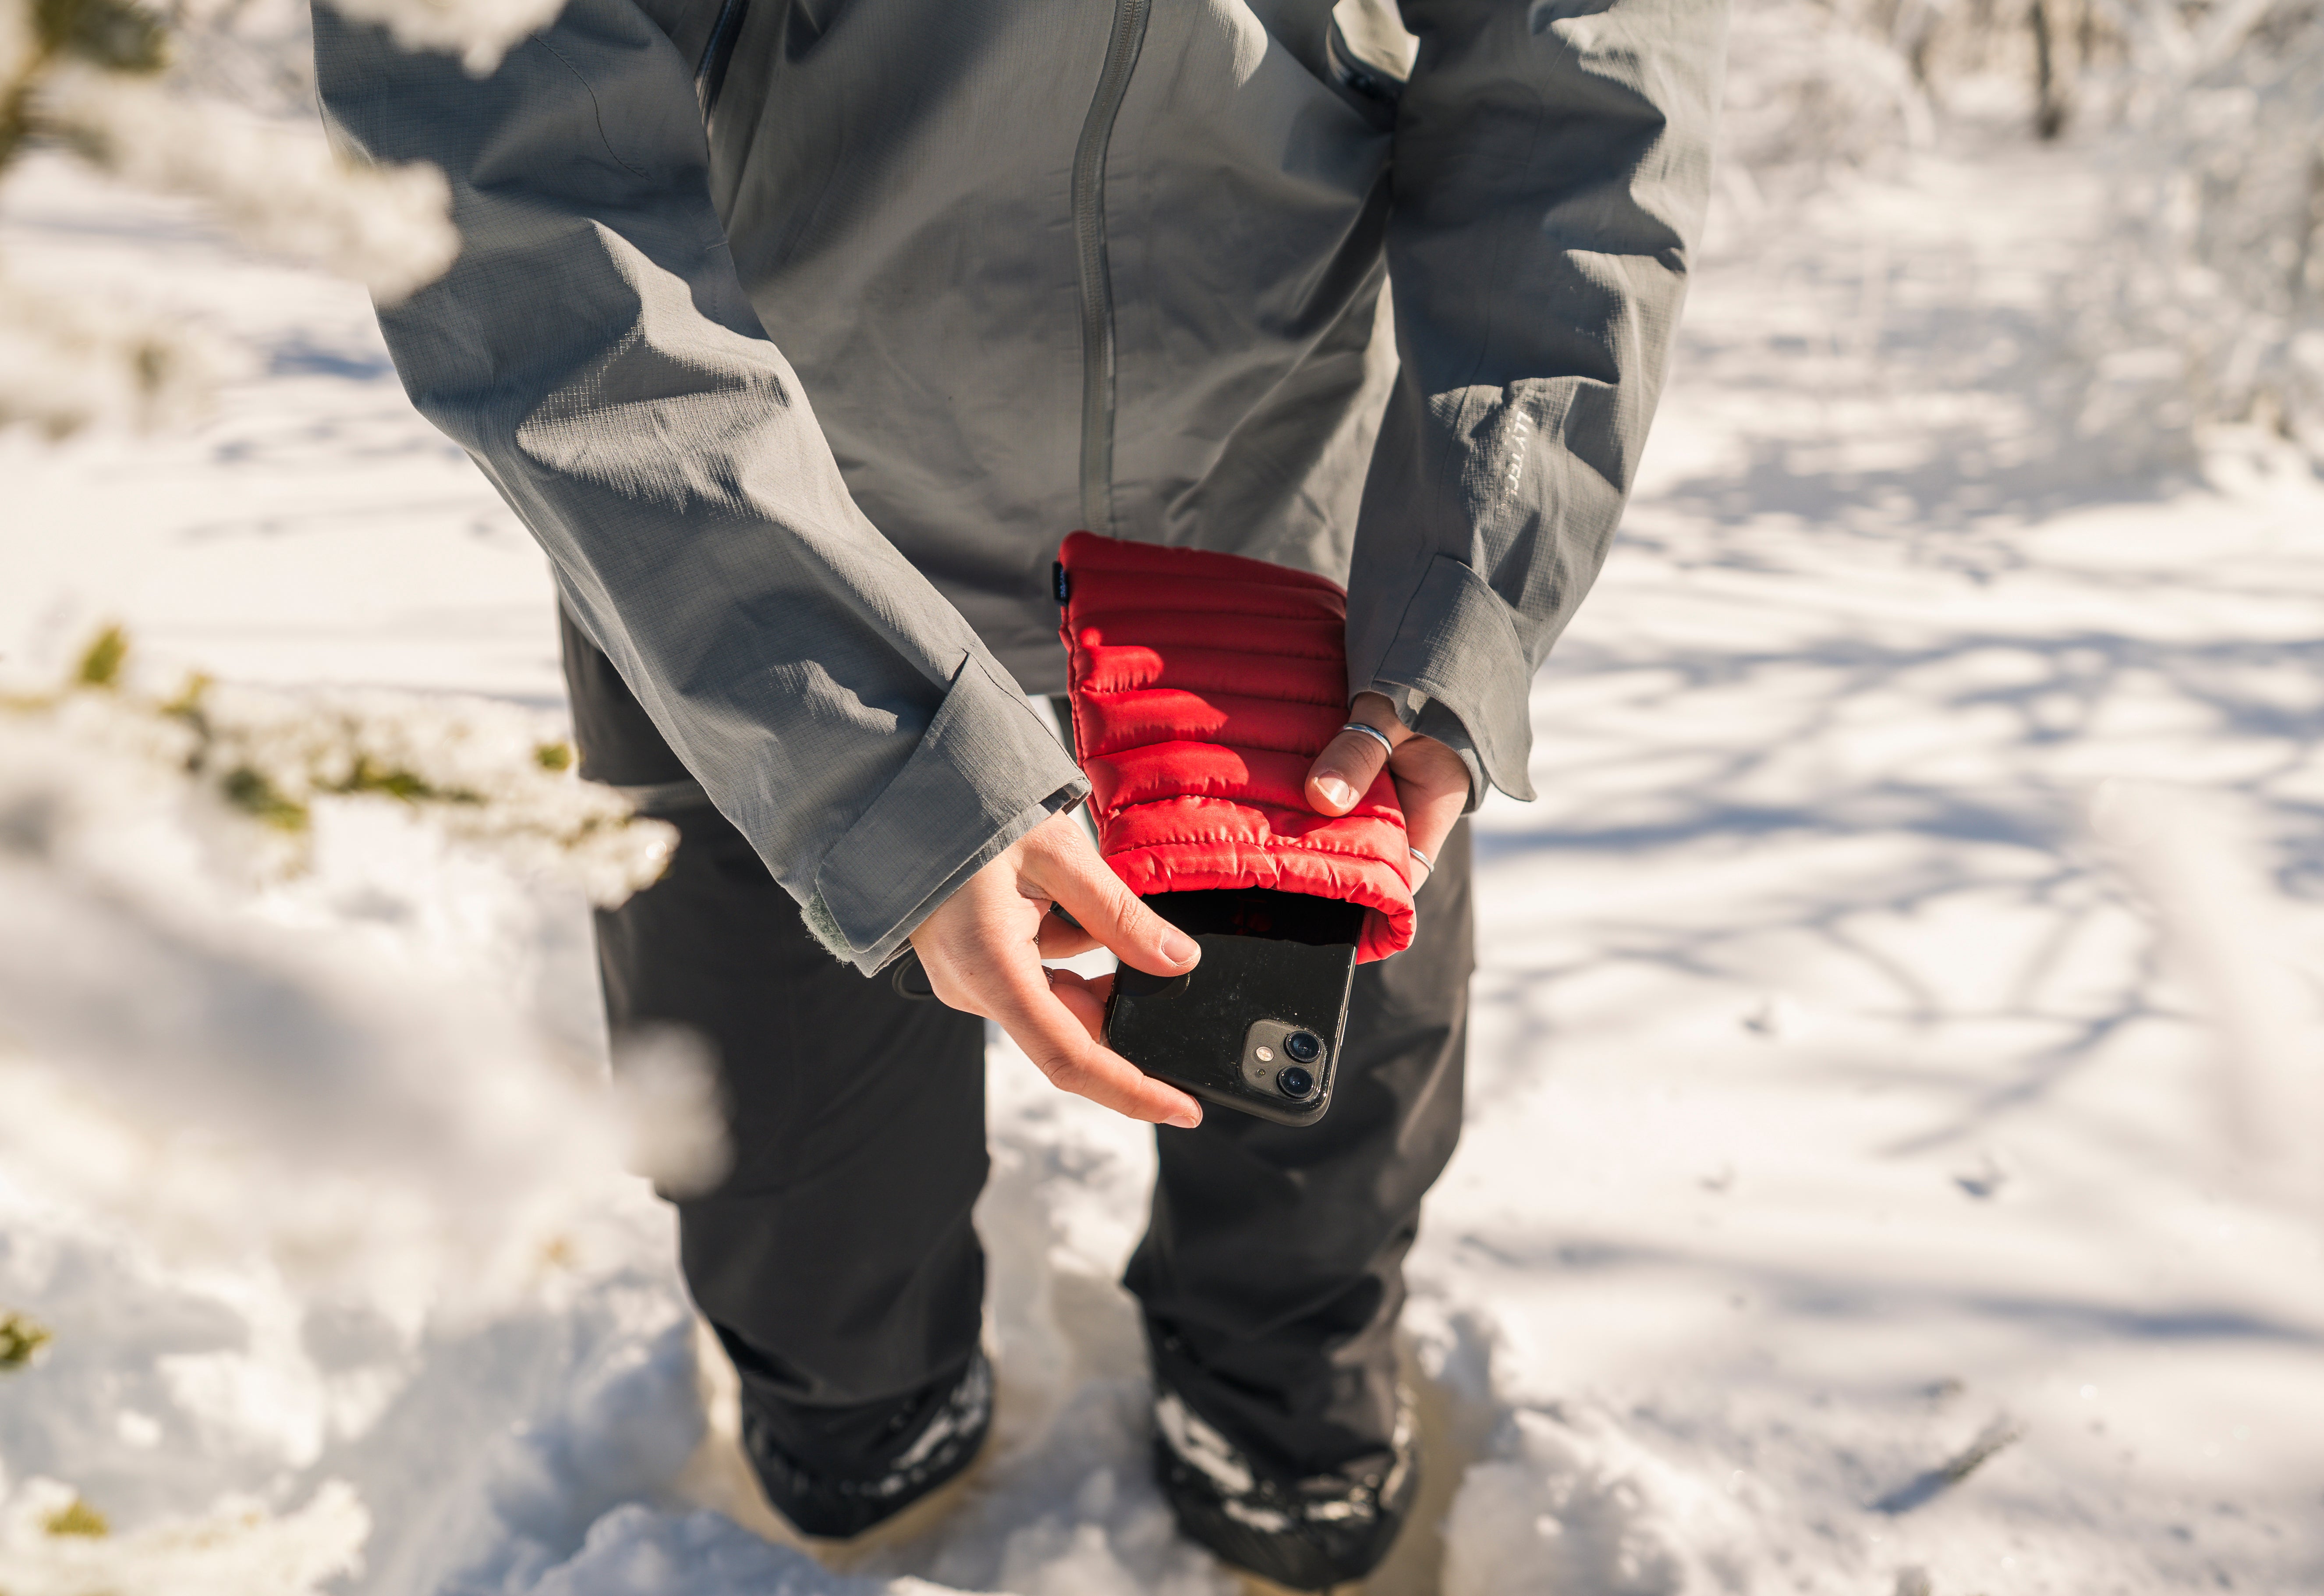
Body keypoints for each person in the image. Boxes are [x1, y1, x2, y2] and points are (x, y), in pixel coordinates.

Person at [313, 0, 1725, 1585]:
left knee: (1306, 1250)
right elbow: (512, 183)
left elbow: (1581, 112)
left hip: (1268, 586)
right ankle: (870, 1473)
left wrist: (1471, 590)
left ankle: (1267, 1468)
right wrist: (877, 753)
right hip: (771, 589)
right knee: (817, 1291)